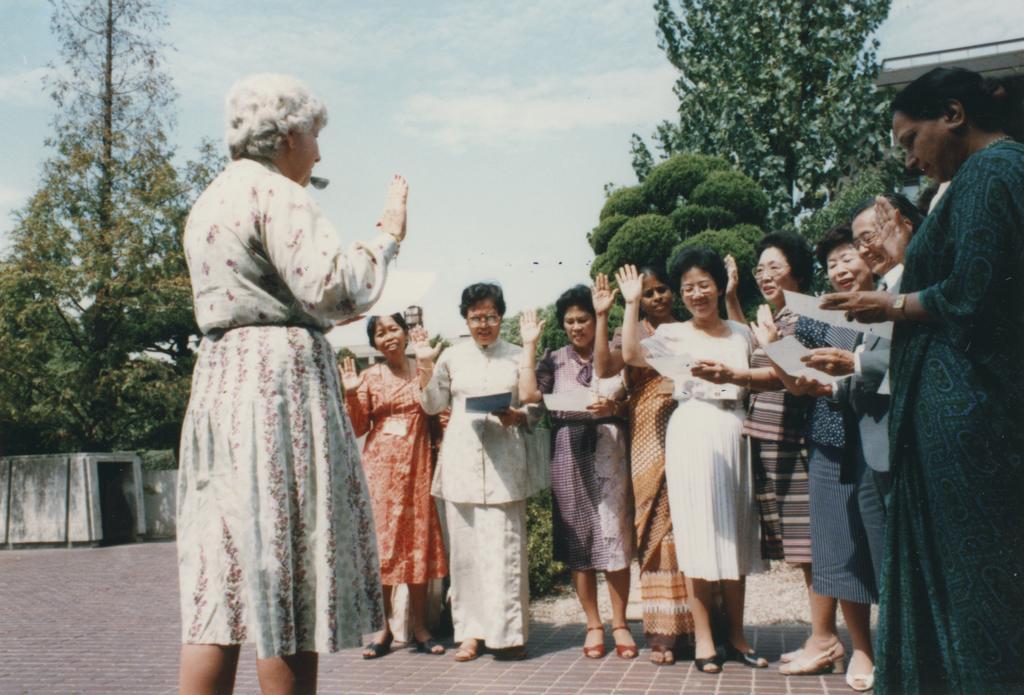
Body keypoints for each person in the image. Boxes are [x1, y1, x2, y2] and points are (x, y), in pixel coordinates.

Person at [176, 74, 408, 694]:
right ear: (283, 135)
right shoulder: (278, 193)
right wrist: (385, 236)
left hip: (220, 380)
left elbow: (266, 290)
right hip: (276, 390)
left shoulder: (208, 202)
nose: (319, 151)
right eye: (313, 134)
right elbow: (333, 286)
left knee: (219, 584)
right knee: (285, 575)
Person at [823, 66, 1024, 693]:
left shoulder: (996, 172)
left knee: (974, 581)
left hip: (971, 418)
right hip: (945, 418)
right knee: (951, 575)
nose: (909, 158)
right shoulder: (971, 182)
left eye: (911, 140)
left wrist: (891, 305)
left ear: (954, 116)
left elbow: (976, 291)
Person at [617, 251, 769, 675]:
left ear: (719, 286)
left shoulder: (741, 332)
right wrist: (631, 302)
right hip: (691, 430)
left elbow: (766, 370)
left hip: (734, 431)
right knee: (698, 535)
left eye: (704, 284)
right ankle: (704, 639)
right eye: (688, 287)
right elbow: (631, 354)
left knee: (736, 535)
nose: (696, 294)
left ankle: (737, 636)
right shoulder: (675, 333)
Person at [776, 227, 879, 691]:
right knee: (839, 545)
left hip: (880, 439)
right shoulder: (817, 316)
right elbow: (795, 376)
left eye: (848, 258)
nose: (840, 270)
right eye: (833, 264)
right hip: (831, 437)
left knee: (885, 544)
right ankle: (862, 648)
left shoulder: (893, 304)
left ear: (871, 257)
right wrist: (774, 347)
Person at [802, 193, 922, 588]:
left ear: (903, 225)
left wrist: (852, 364)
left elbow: (916, 360)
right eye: (860, 243)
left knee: (907, 569)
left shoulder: (915, 287)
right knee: (887, 567)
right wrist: (832, 388)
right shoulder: (885, 287)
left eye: (870, 237)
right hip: (871, 449)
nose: (866, 249)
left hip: (903, 447)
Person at [416, 283, 534, 663]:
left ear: (501, 317)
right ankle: (469, 634)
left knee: (504, 552)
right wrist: (425, 365)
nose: (484, 324)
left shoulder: (518, 356)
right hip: (461, 465)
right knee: (465, 558)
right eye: (476, 317)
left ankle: (508, 634)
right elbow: (432, 405)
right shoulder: (452, 356)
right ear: (465, 319)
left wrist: (517, 415)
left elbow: (534, 408)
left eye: (491, 316)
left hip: (505, 465)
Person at [518, 286, 636, 660]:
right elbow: (528, 396)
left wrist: (614, 403)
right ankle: (593, 624)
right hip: (568, 450)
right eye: (569, 321)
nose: (576, 327)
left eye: (582, 318)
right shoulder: (554, 359)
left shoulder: (615, 349)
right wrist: (530, 346)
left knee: (614, 538)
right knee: (579, 540)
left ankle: (620, 623)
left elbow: (632, 394)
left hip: (608, 449)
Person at [593, 268, 696, 665]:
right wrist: (605, 315)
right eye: (648, 292)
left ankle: (702, 625)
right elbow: (605, 369)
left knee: (689, 521)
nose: (656, 297)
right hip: (648, 433)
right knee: (654, 524)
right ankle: (663, 629)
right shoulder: (631, 330)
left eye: (662, 289)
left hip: (689, 422)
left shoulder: (689, 329)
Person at [340, 314, 448, 659]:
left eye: (393, 329)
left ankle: (419, 628)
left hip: (417, 465)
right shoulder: (370, 376)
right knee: (384, 550)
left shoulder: (423, 367)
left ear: (405, 333)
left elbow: (441, 415)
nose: (388, 337)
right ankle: (384, 629)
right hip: (380, 470)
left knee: (416, 545)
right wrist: (352, 395)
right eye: (379, 333)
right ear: (374, 343)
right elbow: (357, 427)